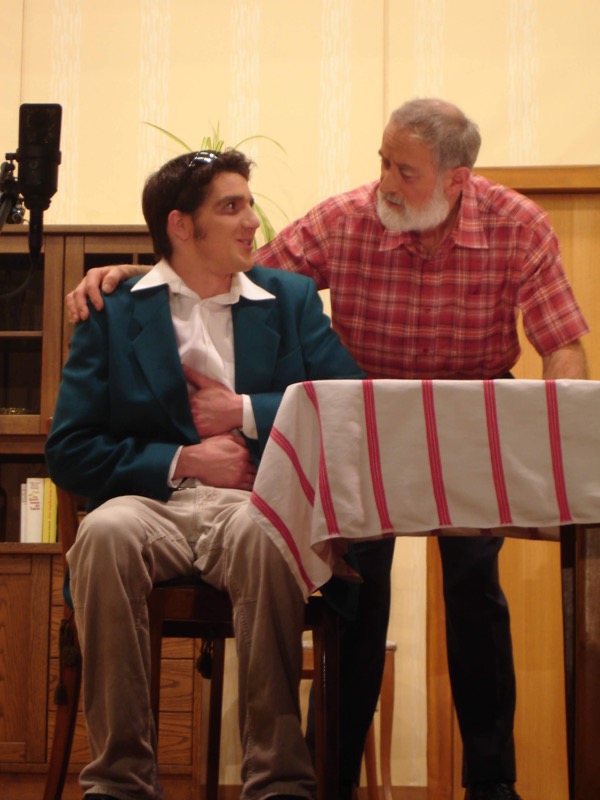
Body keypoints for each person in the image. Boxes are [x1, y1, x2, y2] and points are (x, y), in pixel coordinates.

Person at [65, 98, 589, 800]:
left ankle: (491, 783)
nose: (384, 182)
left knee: (474, 592)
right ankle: (325, 781)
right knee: (360, 601)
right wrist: (132, 278)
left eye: (404, 171)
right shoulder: (344, 220)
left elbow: (562, 343)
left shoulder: (518, 224)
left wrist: (556, 435)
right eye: (383, 161)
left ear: (457, 180)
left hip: (468, 415)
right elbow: (225, 272)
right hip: (361, 424)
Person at [47, 147, 365, 800]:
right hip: (146, 501)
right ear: (181, 226)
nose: (253, 221)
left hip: (251, 499)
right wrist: (182, 459)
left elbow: (348, 407)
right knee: (103, 534)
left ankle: (278, 782)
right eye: (231, 207)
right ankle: (120, 782)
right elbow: (69, 450)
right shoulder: (113, 310)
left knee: (269, 534)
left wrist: (245, 412)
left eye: (250, 203)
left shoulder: (290, 300)